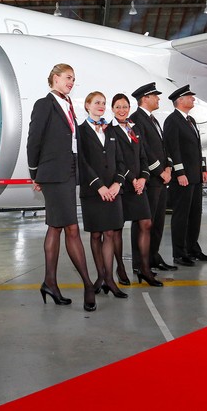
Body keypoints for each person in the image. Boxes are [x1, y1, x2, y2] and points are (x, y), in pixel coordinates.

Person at [27, 63, 97, 311]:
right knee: (72, 228)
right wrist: (34, 172)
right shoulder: (44, 104)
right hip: (54, 175)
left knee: (55, 227)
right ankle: (88, 284)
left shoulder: (68, 105)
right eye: (68, 77)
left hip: (68, 172)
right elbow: (34, 139)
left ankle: (50, 283)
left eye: (74, 79)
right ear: (55, 78)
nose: (71, 82)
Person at [77, 91, 128, 299]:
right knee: (96, 234)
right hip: (93, 192)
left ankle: (109, 279)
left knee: (110, 233)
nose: (101, 106)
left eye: (103, 103)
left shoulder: (112, 130)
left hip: (113, 191)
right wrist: (99, 186)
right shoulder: (80, 131)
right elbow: (81, 161)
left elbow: (121, 161)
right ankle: (100, 276)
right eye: (97, 102)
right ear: (87, 105)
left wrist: (117, 183)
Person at [109, 93, 162, 287]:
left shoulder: (134, 128)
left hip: (139, 185)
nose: (122, 110)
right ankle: (121, 268)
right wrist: (133, 179)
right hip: (122, 186)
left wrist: (144, 178)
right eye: (118, 107)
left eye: (125, 107)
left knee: (146, 223)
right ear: (112, 109)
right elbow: (117, 160)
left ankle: (145, 269)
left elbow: (143, 157)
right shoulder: (110, 130)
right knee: (117, 229)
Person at [129, 83, 178, 273]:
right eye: (155, 96)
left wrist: (169, 167)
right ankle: (139, 262)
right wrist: (161, 171)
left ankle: (153, 256)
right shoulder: (136, 119)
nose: (158, 99)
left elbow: (163, 147)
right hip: (149, 180)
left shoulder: (153, 120)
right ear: (145, 98)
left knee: (157, 222)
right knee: (142, 223)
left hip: (160, 180)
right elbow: (144, 151)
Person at [163, 85, 207, 267]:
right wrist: (180, 173)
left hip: (195, 176)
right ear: (180, 100)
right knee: (181, 216)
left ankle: (193, 248)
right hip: (183, 177)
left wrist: (203, 169)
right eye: (190, 97)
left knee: (195, 214)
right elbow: (172, 149)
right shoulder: (172, 120)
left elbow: (197, 148)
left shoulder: (190, 120)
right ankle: (179, 253)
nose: (193, 99)